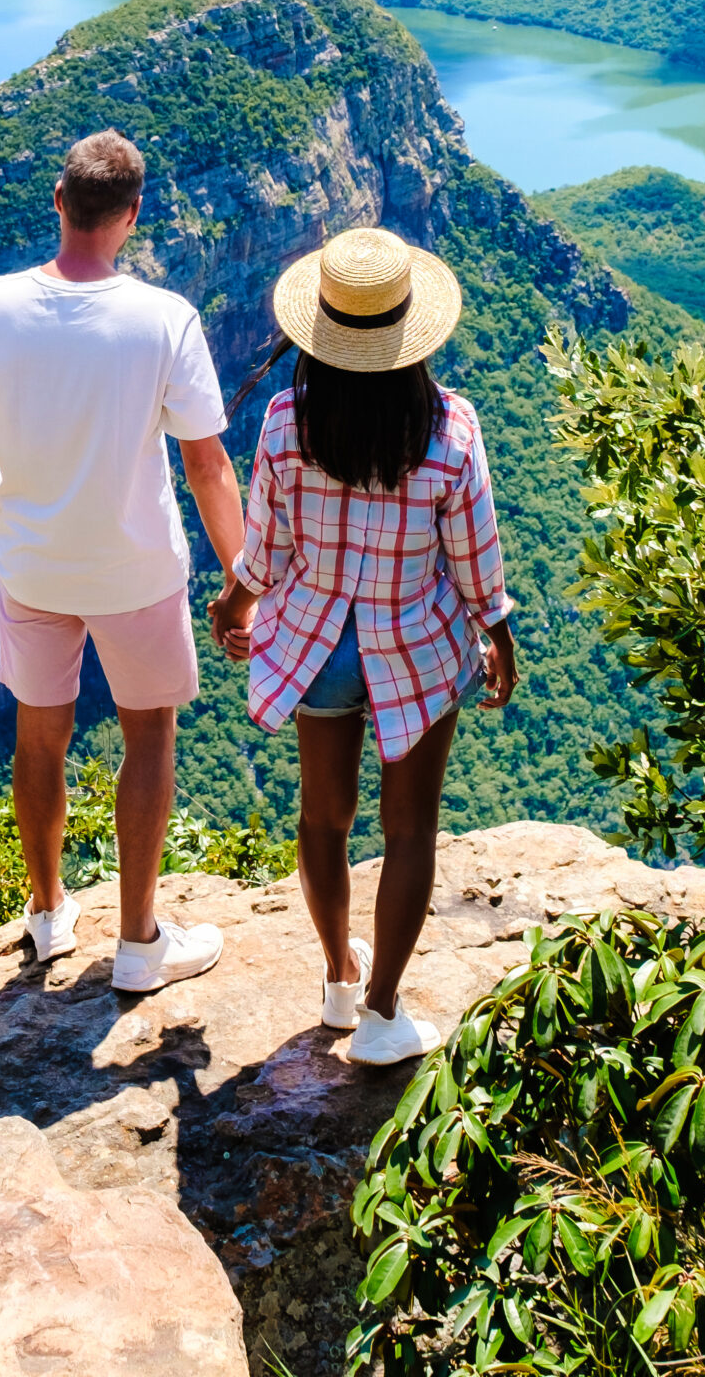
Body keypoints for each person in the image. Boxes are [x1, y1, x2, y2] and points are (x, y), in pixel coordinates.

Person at [0, 128, 248, 993]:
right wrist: (242, 579)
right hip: (136, 566)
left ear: (60, 203)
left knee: (40, 736)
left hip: (30, 565)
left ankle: (46, 912)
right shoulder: (164, 319)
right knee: (148, 735)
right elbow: (207, 465)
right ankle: (140, 943)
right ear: (133, 216)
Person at [209, 226, 517, 1064]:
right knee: (410, 828)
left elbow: (267, 556)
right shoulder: (450, 429)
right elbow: (475, 558)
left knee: (323, 818)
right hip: (413, 648)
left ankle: (339, 979)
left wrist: (232, 603)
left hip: (315, 648)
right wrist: (499, 637)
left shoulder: (285, 423)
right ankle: (383, 1012)